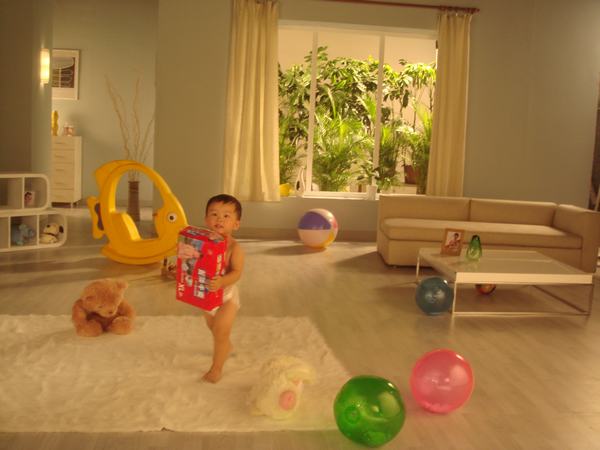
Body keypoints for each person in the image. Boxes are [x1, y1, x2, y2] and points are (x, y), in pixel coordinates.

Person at [178, 194, 245, 383]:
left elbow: (237, 273)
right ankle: (226, 346)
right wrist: (183, 268)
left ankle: (216, 368)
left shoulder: (234, 248)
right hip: (206, 294)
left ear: (236, 224)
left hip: (226, 296)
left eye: (226, 216)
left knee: (221, 332)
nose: (219, 219)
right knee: (214, 328)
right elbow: (194, 263)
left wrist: (222, 281)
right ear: (206, 220)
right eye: (214, 214)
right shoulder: (200, 243)